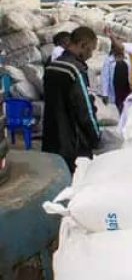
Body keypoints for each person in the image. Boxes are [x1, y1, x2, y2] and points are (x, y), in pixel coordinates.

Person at [42, 26, 102, 173]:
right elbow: (85, 109)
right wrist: (96, 137)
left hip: (51, 139)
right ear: (82, 45)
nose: (91, 55)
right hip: (72, 144)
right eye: (90, 50)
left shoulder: (52, 66)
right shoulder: (75, 70)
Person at [101, 44, 132, 114]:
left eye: (122, 49)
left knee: (127, 106)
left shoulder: (128, 58)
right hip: (116, 89)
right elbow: (105, 77)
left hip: (127, 88)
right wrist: (105, 94)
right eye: (119, 49)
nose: (121, 51)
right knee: (119, 106)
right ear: (114, 49)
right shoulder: (109, 60)